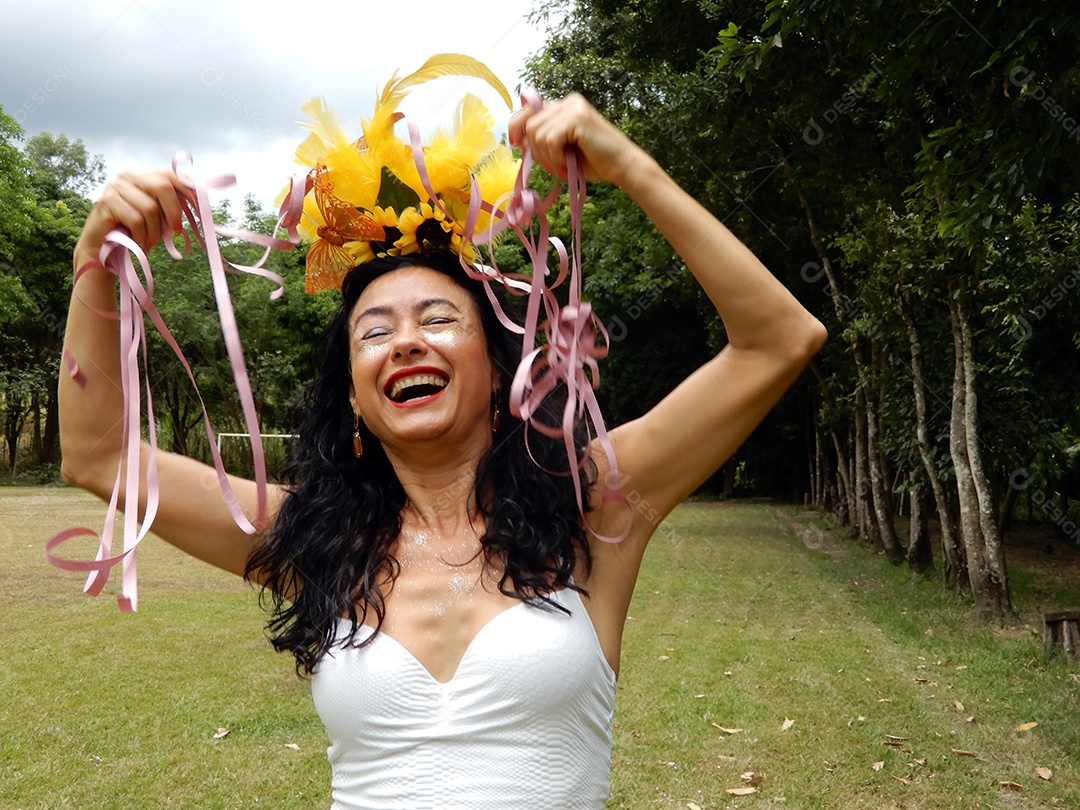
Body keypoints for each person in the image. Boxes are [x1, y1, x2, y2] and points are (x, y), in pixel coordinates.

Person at [58, 59, 826, 810]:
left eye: (437, 319)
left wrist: (632, 169)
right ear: (356, 398)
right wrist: (96, 253)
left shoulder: (594, 505)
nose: (405, 343)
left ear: (498, 370)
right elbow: (98, 452)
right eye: (374, 332)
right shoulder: (312, 542)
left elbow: (779, 339)